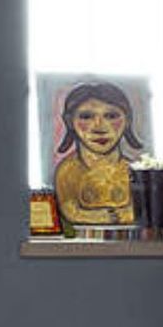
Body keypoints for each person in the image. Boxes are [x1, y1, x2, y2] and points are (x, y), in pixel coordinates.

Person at [53, 78, 147, 226]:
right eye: (86, 116)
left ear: (127, 120)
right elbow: (71, 213)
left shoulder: (135, 171)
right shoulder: (67, 171)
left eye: (111, 116)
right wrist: (114, 216)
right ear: (70, 122)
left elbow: (141, 212)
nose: (99, 127)